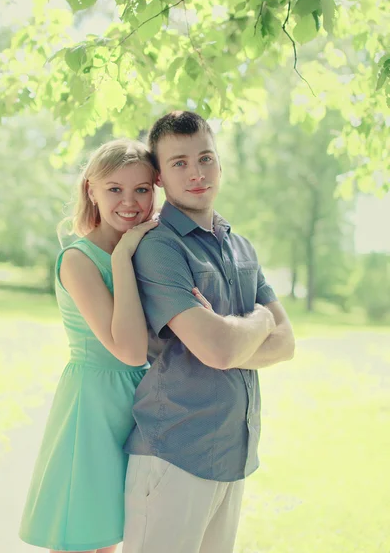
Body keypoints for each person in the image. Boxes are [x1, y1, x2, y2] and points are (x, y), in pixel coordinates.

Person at [122, 111, 296, 553]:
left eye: (206, 158)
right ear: (159, 177)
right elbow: (218, 350)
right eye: (179, 163)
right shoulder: (160, 247)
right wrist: (258, 321)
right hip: (173, 455)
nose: (196, 173)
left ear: (220, 163)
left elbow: (287, 343)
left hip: (233, 452)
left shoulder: (240, 246)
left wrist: (227, 334)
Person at [19, 139, 159, 553]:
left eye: (142, 189)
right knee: (81, 533)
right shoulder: (80, 260)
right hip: (93, 402)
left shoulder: (147, 251)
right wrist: (120, 259)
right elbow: (130, 351)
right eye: (114, 189)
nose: (129, 202)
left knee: (113, 535)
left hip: (140, 400)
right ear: (90, 191)